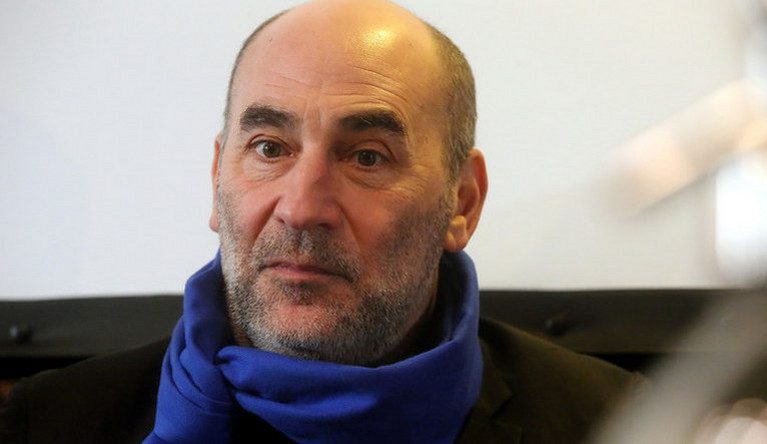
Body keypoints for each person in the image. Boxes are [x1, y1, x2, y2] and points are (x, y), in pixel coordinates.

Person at [0, 0, 644, 442]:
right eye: (269, 148)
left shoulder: (625, 424)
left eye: (367, 157)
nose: (302, 208)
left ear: (462, 203)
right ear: (218, 177)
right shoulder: (49, 423)